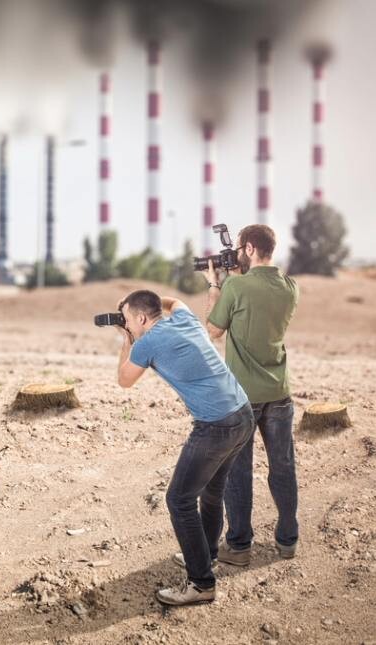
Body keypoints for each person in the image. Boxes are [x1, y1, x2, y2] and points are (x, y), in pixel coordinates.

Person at [112, 289, 254, 606]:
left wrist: (126, 340)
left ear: (141, 318)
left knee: (179, 499)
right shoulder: (184, 318)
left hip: (216, 425)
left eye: (129, 319)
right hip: (242, 414)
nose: (127, 324)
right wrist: (141, 302)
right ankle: (207, 555)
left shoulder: (145, 342)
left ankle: (201, 584)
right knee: (212, 492)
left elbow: (124, 380)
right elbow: (175, 302)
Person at [199, 224, 300, 564]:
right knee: (283, 467)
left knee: (237, 472)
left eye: (241, 247)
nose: (238, 253)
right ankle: (288, 541)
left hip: (241, 397)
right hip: (279, 391)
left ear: (251, 248)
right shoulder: (290, 287)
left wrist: (215, 286)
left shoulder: (235, 286)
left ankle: (239, 547)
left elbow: (213, 330)